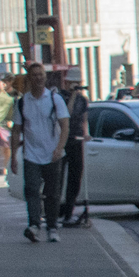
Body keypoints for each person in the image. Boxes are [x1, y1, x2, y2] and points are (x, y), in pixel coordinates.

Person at [14, 63, 72, 242]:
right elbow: (16, 129)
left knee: (52, 193)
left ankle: (52, 227)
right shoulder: (23, 102)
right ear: (29, 79)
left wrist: (59, 148)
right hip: (31, 153)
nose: (38, 78)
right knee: (31, 189)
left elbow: (65, 126)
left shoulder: (55, 99)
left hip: (52, 153)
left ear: (45, 77)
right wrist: (13, 156)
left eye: (41, 75)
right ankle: (34, 225)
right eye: (34, 75)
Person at [57, 67, 92, 227]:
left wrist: (86, 133)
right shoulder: (61, 96)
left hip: (77, 140)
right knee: (59, 177)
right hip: (64, 139)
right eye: (73, 82)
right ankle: (55, 210)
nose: (76, 85)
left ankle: (69, 211)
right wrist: (71, 96)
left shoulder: (83, 100)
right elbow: (67, 113)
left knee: (75, 176)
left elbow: (84, 119)